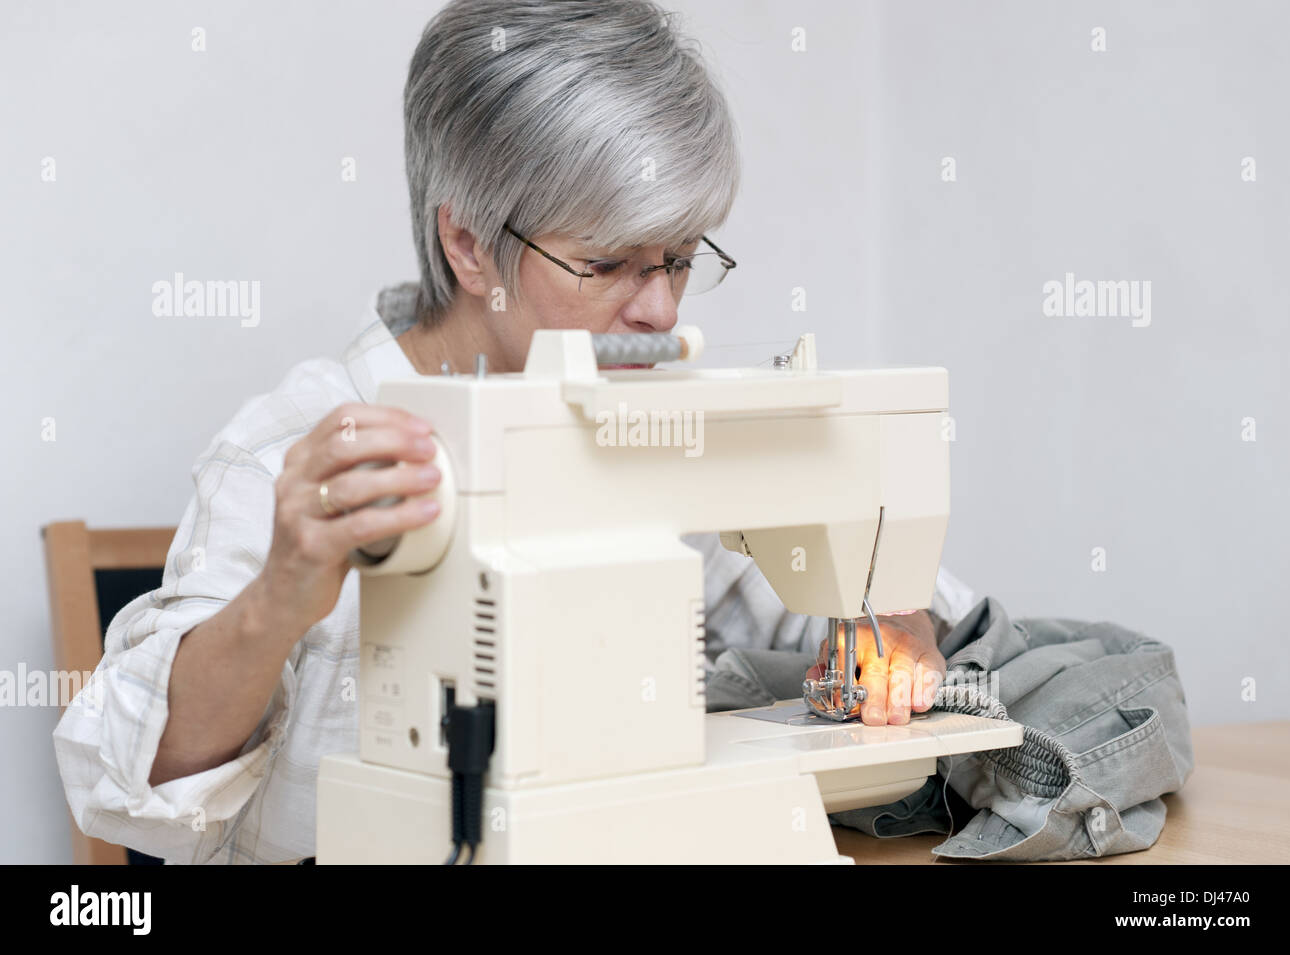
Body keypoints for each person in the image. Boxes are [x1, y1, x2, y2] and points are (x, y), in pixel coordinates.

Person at [52, 0, 977, 864]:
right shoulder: (293, 450)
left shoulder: (646, 413)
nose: (658, 308)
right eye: (608, 261)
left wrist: (892, 627)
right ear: (466, 245)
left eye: (682, 257)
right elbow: (127, 787)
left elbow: (855, 603)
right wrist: (278, 596)